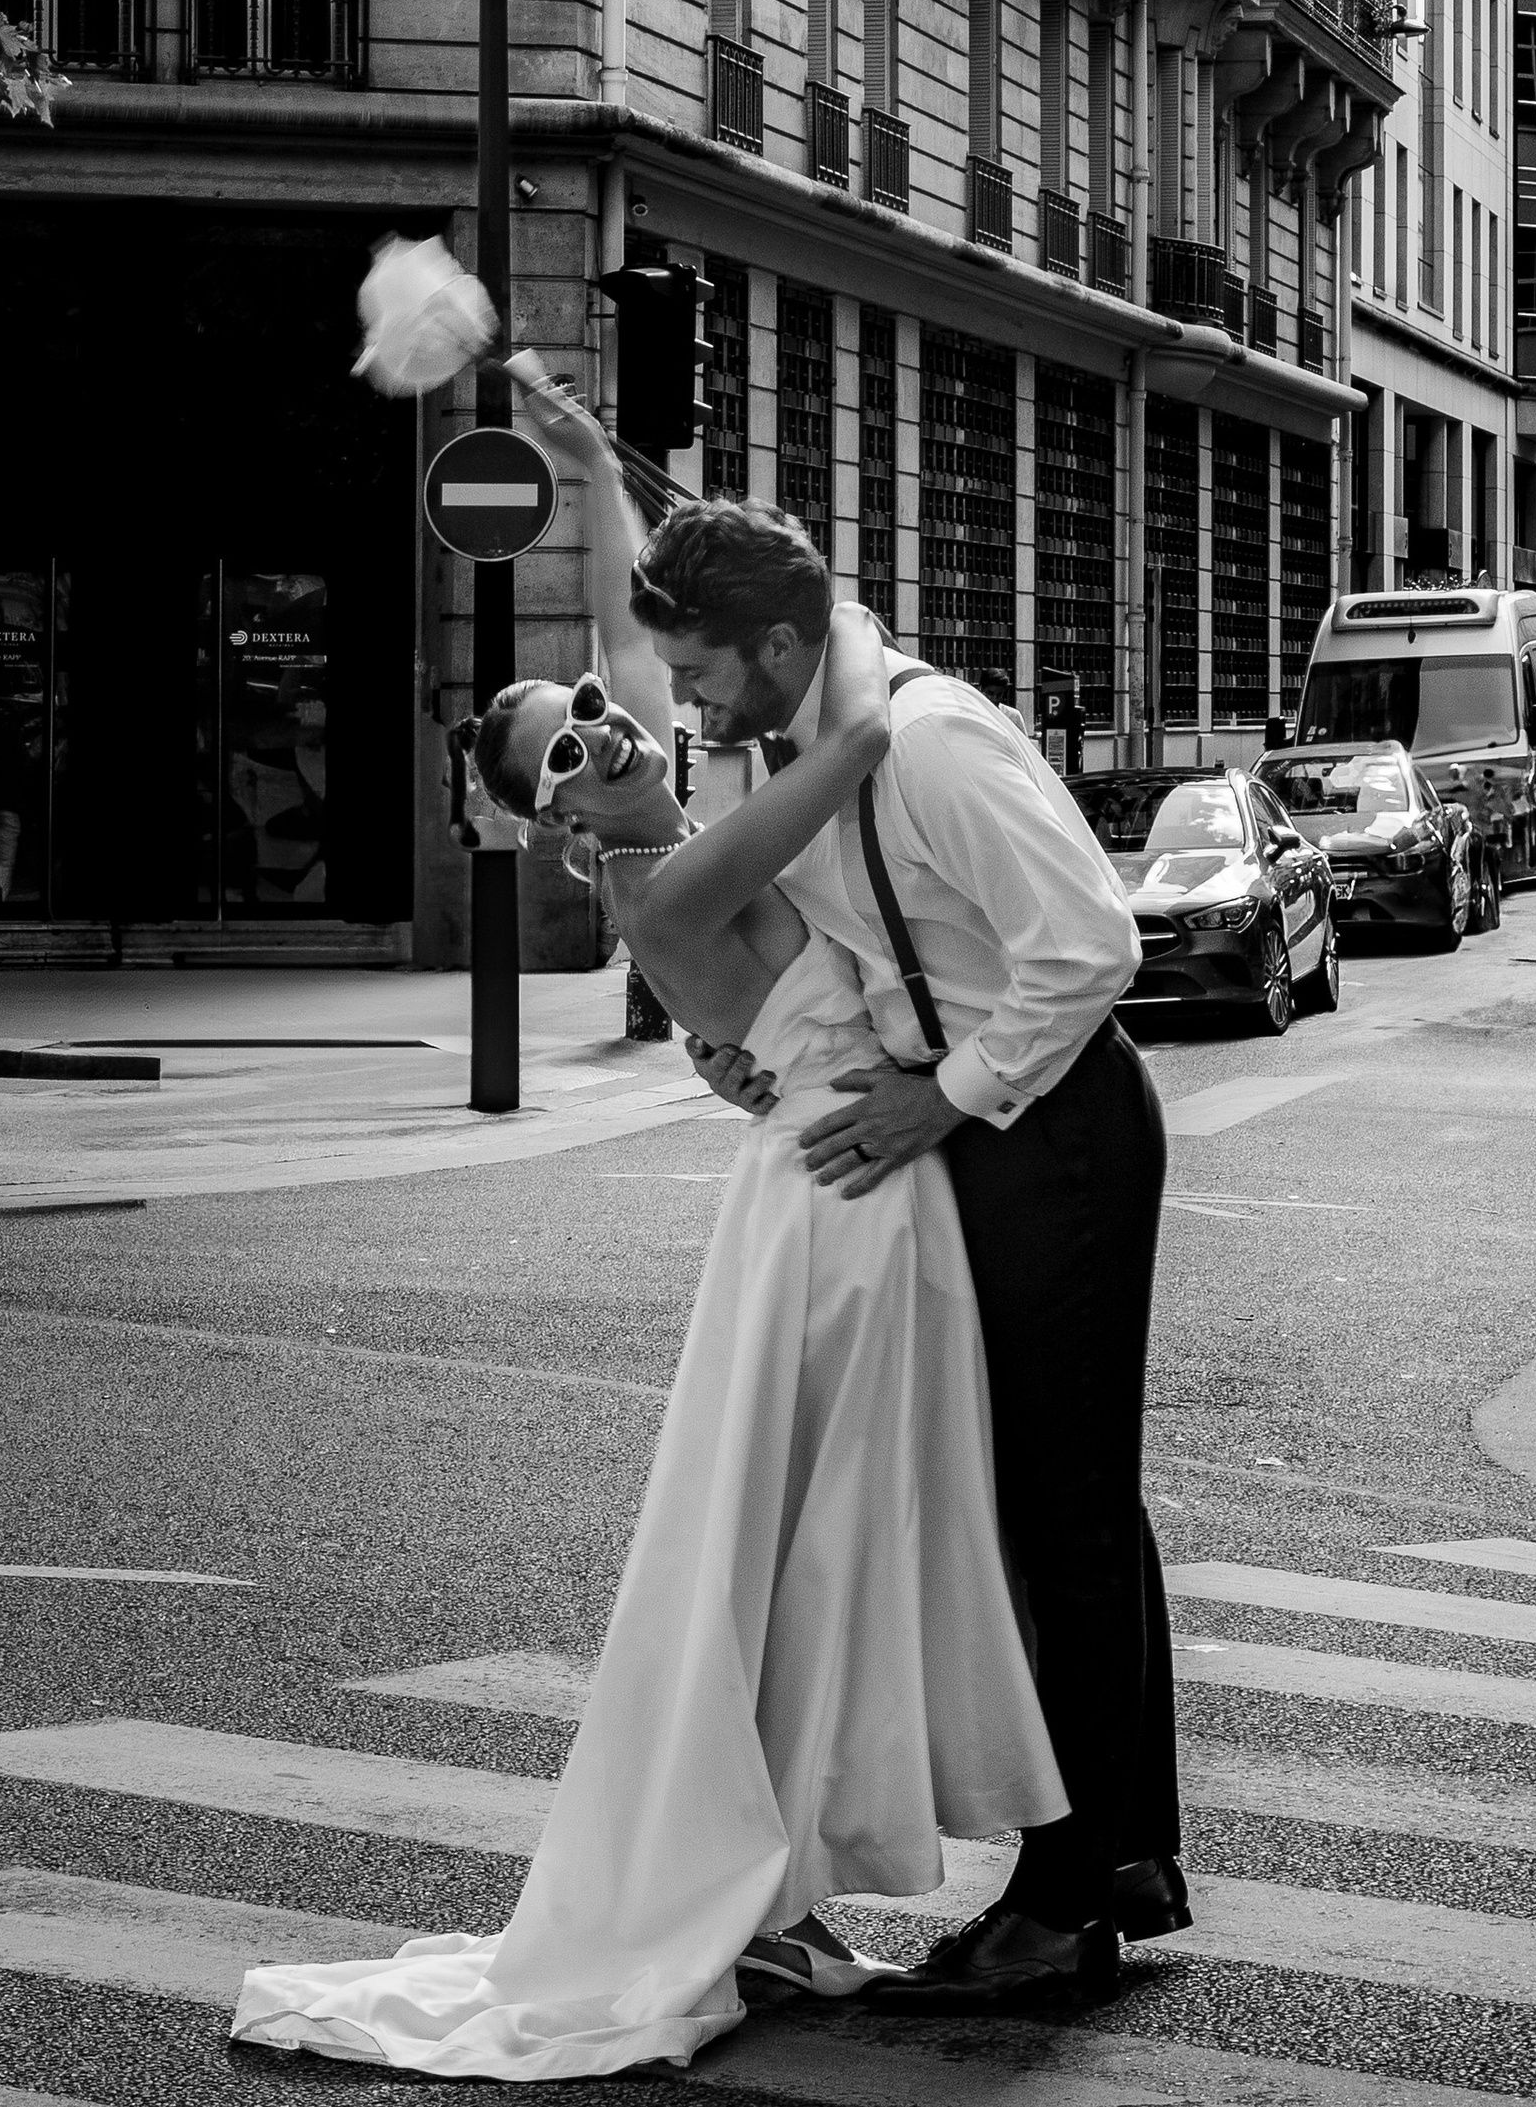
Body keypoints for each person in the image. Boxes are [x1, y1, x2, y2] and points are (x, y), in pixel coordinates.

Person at [232, 589, 1079, 2072]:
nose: (607, 732)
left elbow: (804, 943)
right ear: (557, 825)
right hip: (849, 1206)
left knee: (815, 1548)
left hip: (841, 1192)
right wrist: (798, 606)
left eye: (589, 705)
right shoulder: (666, 874)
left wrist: (724, 1049)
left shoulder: (679, 856)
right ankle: (764, 1885)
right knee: (822, 1548)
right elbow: (864, 724)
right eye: (566, 756)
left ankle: (774, 1884)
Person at [621, 488, 1179, 2009]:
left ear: (786, 643)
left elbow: (1094, 942)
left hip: (1052, 1124)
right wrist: (758, 1059)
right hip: (960, 1124)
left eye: (702, 670)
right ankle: (1117, 1857)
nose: (686, 700)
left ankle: (1075, 1899)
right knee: (1025, 1501)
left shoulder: (931, 744)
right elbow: (866, 960)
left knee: (1061, 1506)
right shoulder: (803, 746)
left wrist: (951, 1092)